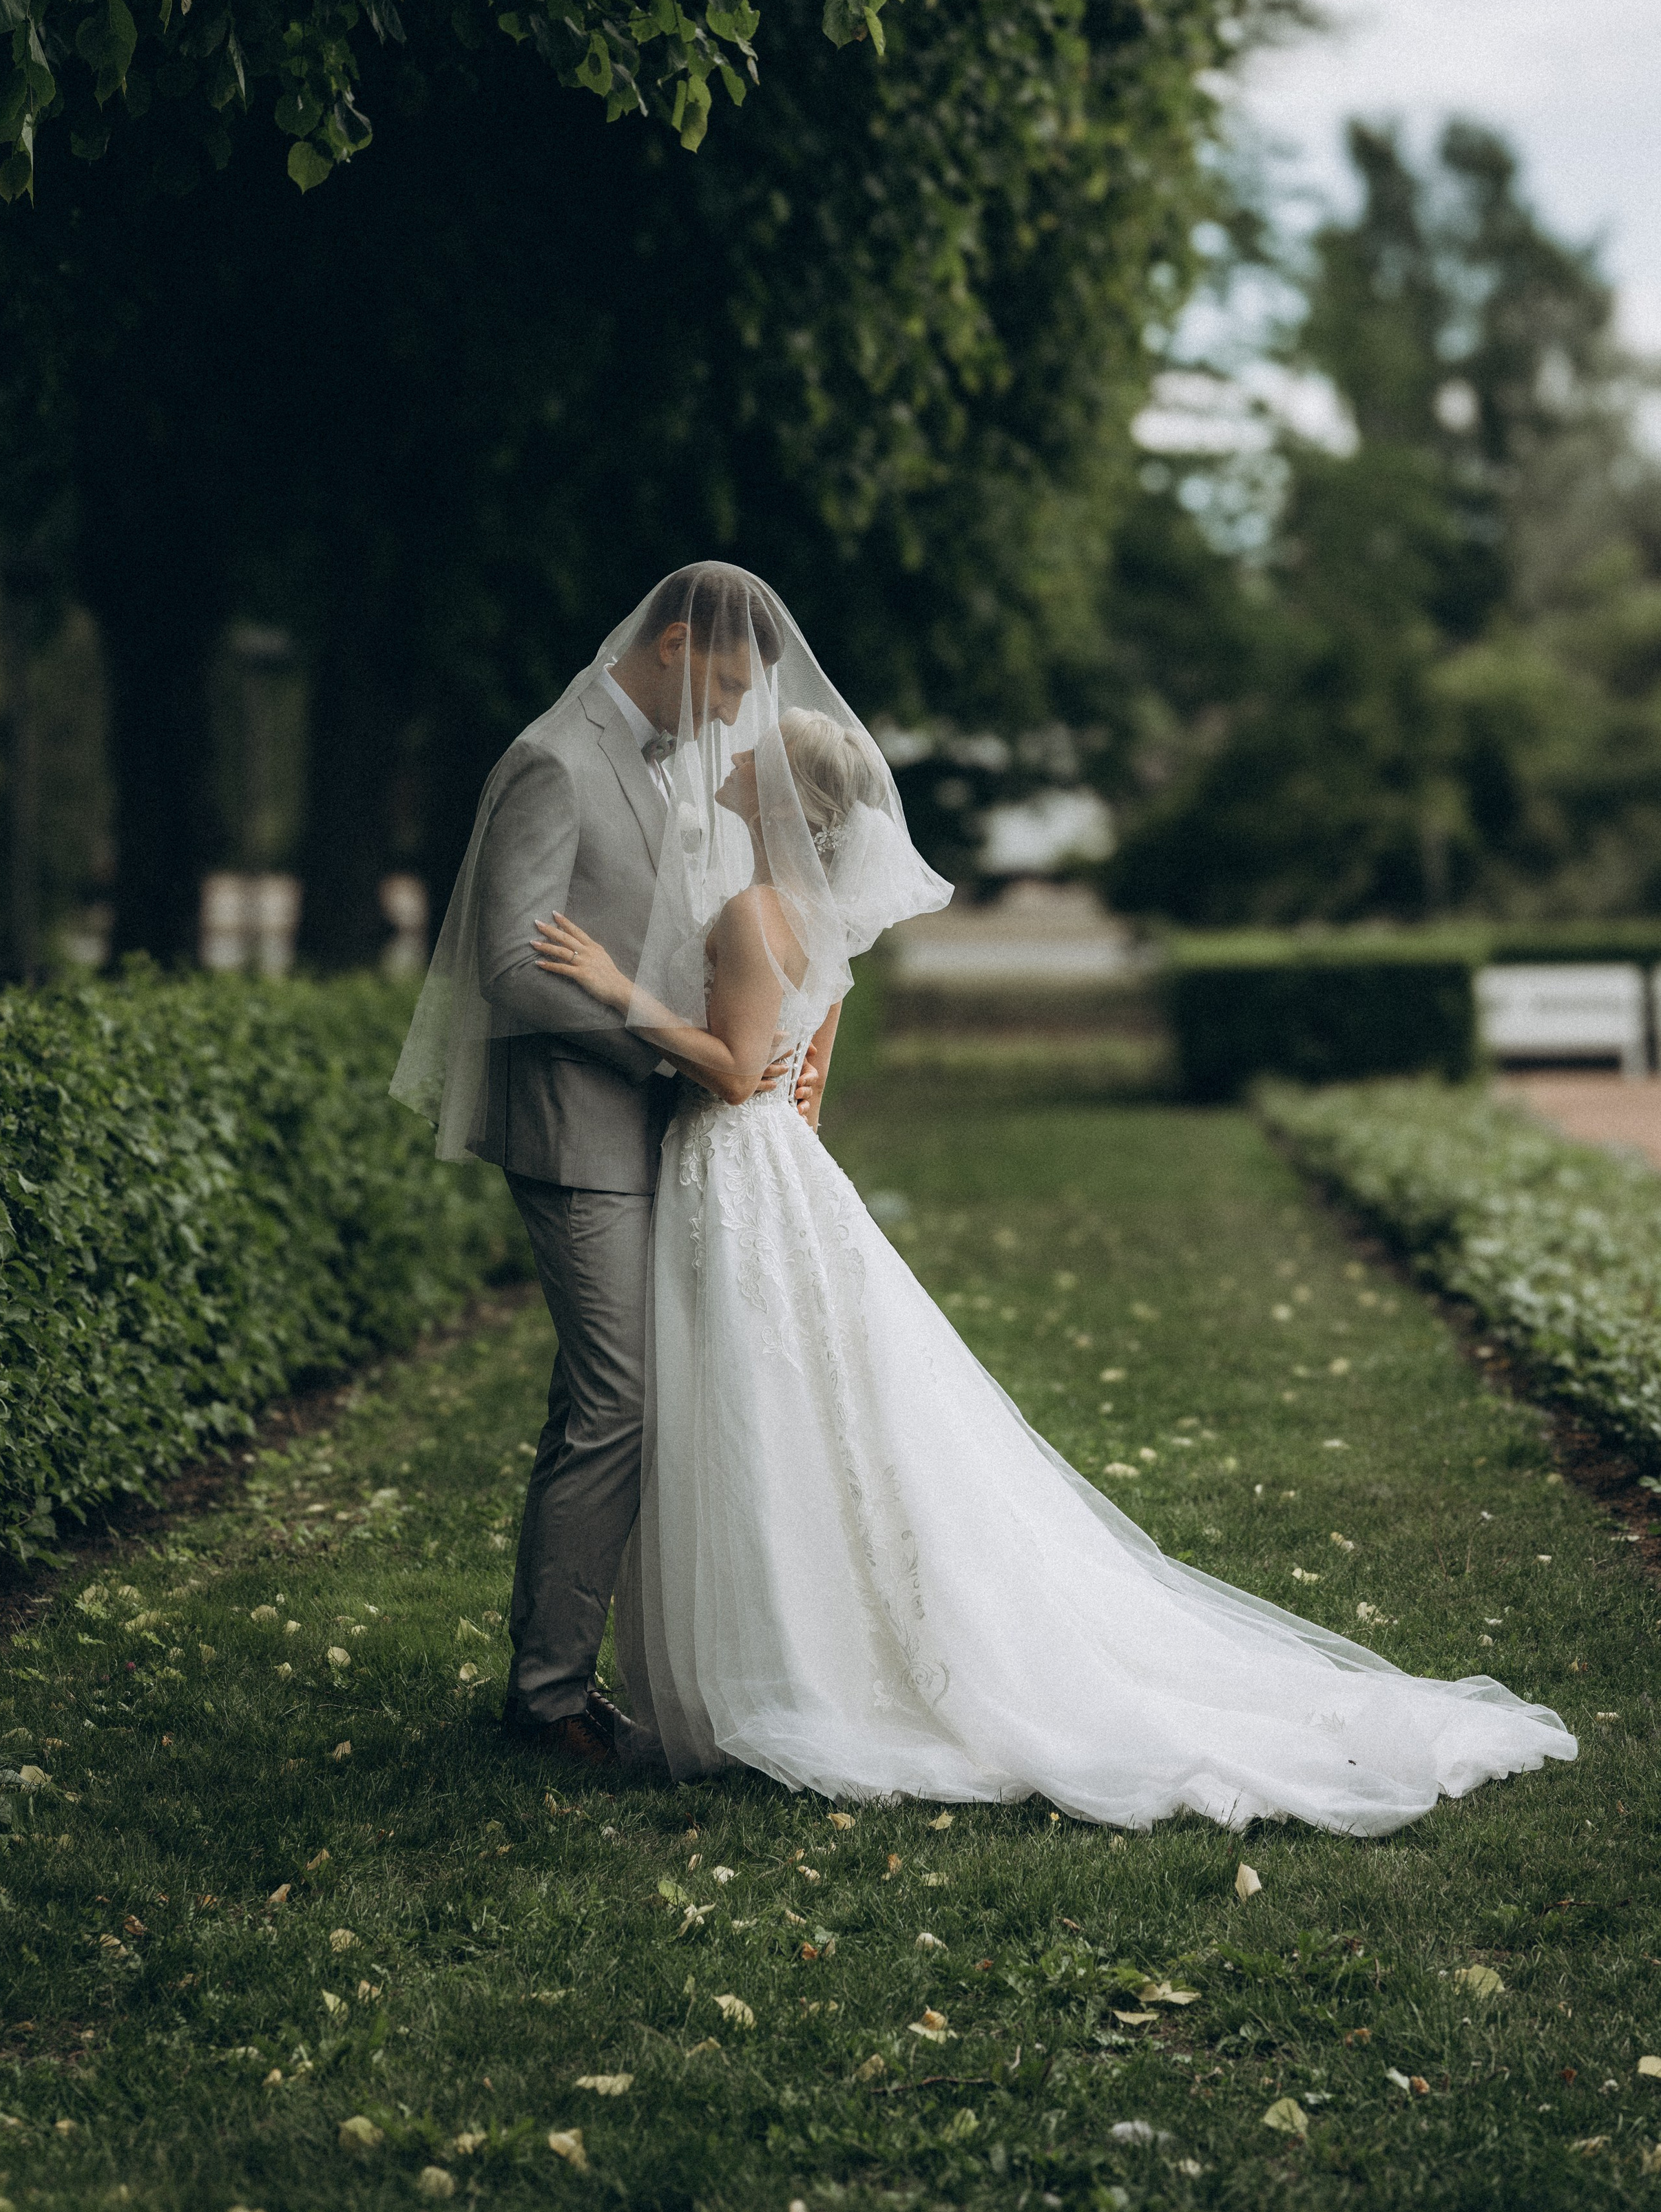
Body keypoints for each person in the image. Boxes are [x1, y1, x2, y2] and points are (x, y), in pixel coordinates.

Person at [530, 569, 1578, 1834]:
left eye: (752, 763)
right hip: (778, 1169)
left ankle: (790, 1665)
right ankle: (797, 1642)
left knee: (759, 1403)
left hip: (735, 1165)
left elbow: (743, 1067)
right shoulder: (826, 922)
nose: (732, 764)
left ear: (783, 805)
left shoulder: (756, 908)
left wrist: (617, 991)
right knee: (795, 1405)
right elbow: (808, 1076)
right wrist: (781, 1113)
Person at [392, 564, 803, 1764]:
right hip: (577, 1127)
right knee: (617, 1402)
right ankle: (551, 1702)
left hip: (643, 1123)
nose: (730, 716)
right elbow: (513, 964)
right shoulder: (553, 760)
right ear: (674, 643)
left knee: (600, 1401)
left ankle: (554, 1678)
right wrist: (657, 1046)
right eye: (724, 686)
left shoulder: (654, 757)